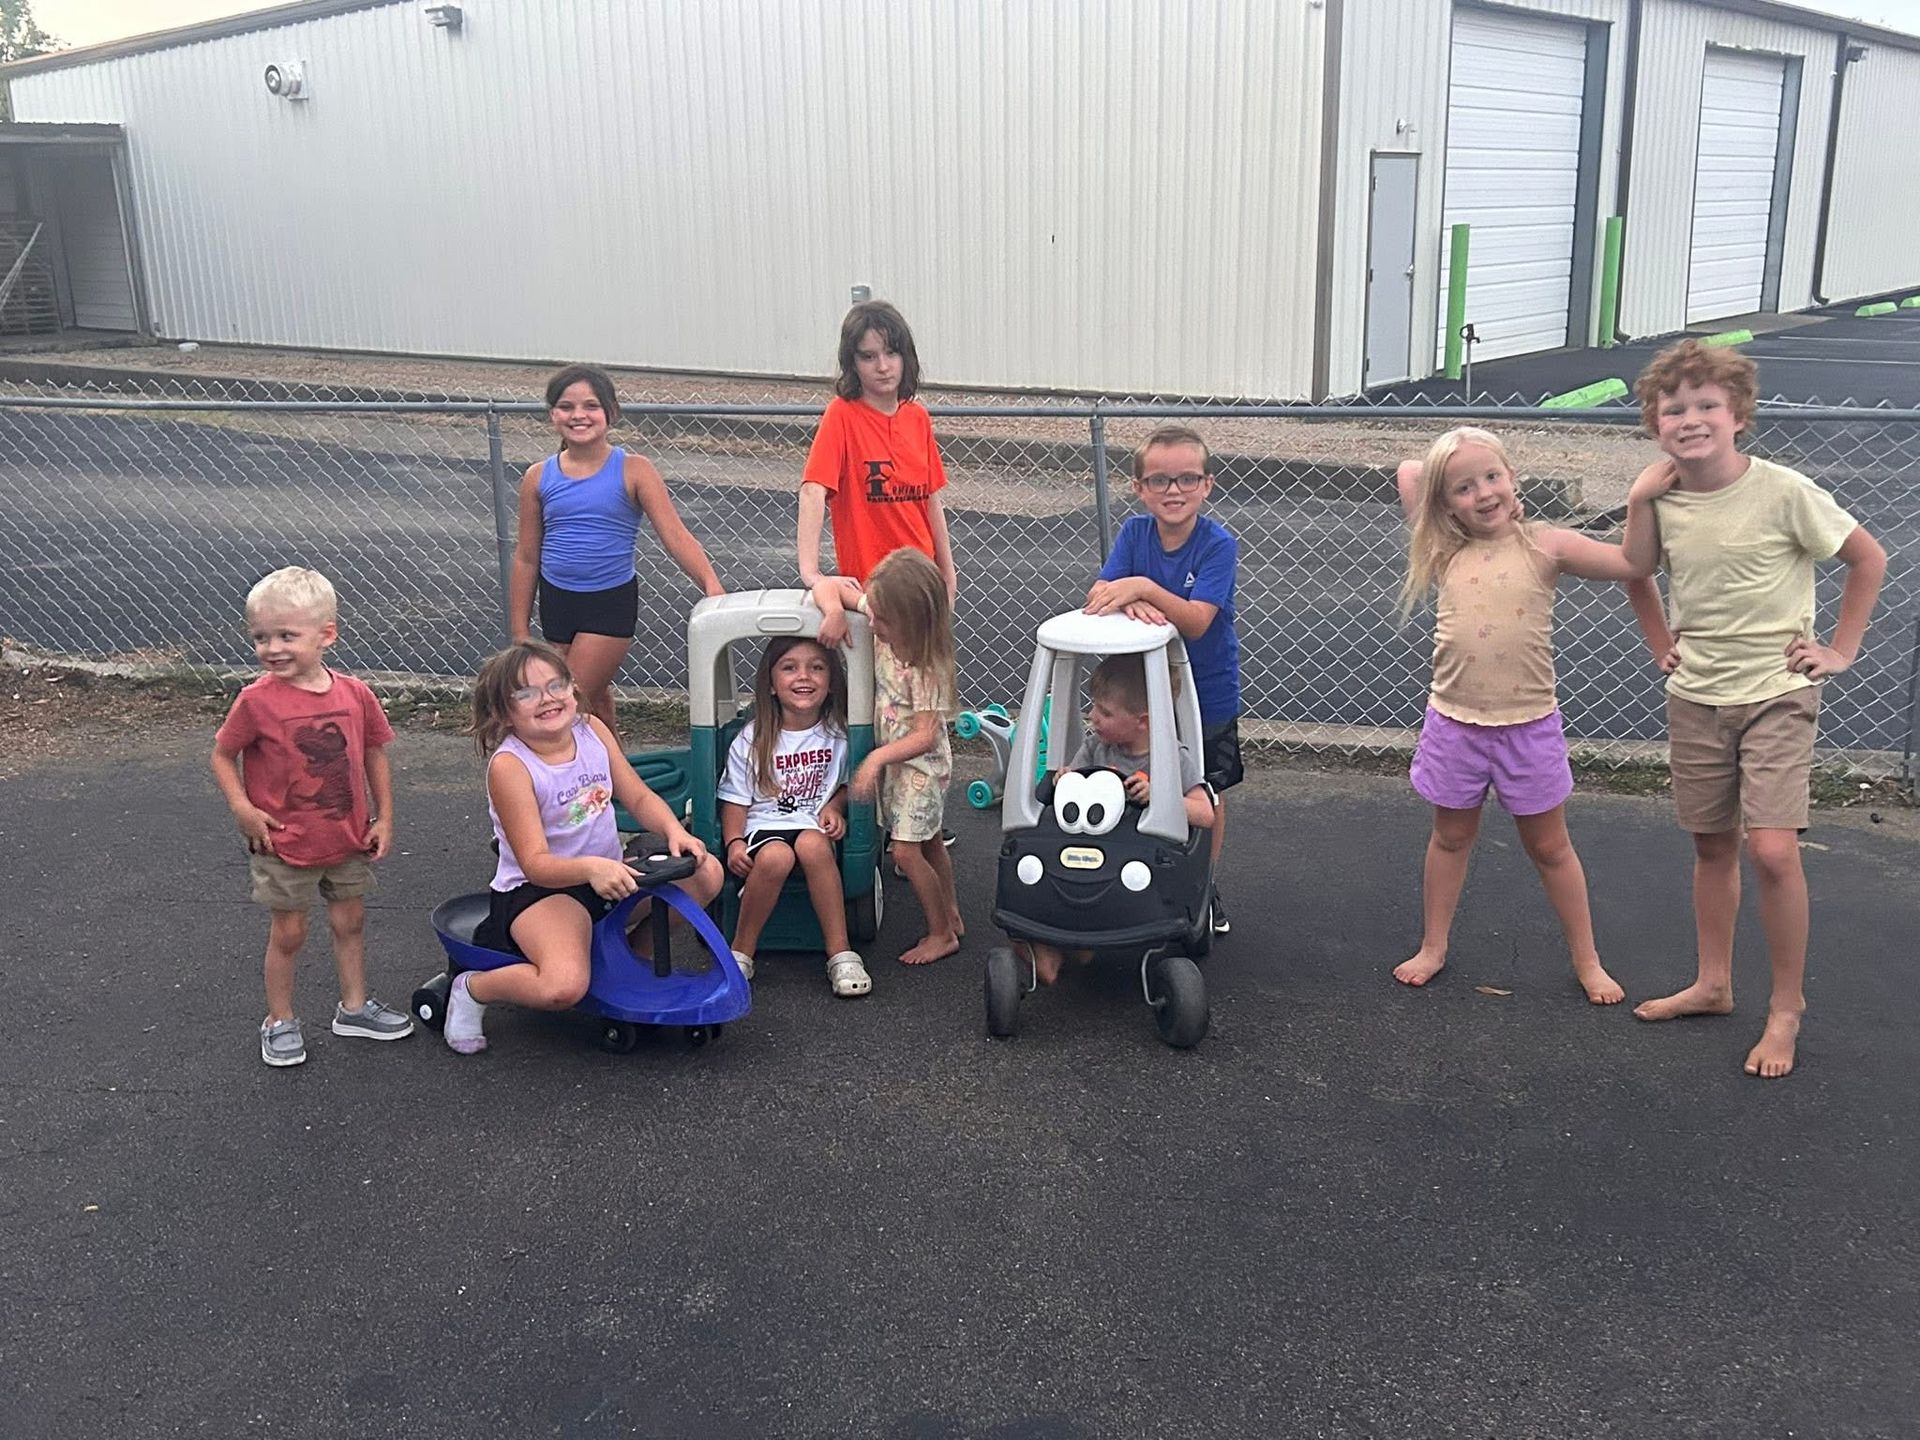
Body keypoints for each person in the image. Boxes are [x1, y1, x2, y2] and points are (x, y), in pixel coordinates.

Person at [1621, 340, 1886, 1078]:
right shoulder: (1661, 500)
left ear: (1738, 414)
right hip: (1696, 695)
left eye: (1707, 404)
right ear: (1655, 424)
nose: (1691, 419)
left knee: (1771, 850)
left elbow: (1867, 558)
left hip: (1777, 691)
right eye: (1674, 408)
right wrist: (1659, 641)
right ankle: (1713, 984)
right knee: (1712, 846)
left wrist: (1840, 649)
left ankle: (1786, 1008)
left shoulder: (1783, 491)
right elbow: (1636, 570)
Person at [1392, 428, 1661, 1003]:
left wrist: (1639, 499)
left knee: (1551, 848)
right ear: (1445, 504)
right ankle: (1433, 946)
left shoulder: (1547, 544)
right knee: (1450, 839)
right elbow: (1410, 472)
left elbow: (1634, 562)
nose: (1483, 493)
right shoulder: (1444, 548)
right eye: (1464, 488)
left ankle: (1587, 959)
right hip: (1455, 726)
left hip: (1528, 727)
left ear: (1513, 478)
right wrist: (1457, 456)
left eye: (1493, 477)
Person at [445, 641, 723, 1055]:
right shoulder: (512, 766)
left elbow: (637, 796)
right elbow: (536, 864)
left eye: (556, 685)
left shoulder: (591, 730)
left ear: (573, 688)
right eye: (526, 693)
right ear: (502, 711)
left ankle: (629, 963)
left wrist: (673, 830)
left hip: (606, 875)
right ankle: (473, 988)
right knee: (563, 987)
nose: (547, 698)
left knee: (706, 873)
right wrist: (593, 869)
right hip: (542, 892)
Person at [211, 566, 413, 1067]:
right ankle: (279, 1019)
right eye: (261, 637)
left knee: (351, 921)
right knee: (290, 933)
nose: (272, 648)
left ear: (326, 635)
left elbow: (374, 753)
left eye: (286, 636)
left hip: (345, 837)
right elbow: (222, 755)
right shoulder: (256, 701)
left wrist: (384, 817)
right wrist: (242, 807)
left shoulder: (355, 694)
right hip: (284, 843)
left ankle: (354, 1008)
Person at [509, 364, 724, 740]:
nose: (578, 415)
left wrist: (711, 584)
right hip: (557, 602)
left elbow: (675, 535)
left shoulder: (635, 470)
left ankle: (565, 771)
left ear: (611, 412)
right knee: (596, 703)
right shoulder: (538, 476)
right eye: (566, 407)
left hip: (608, 604)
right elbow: (527, 557)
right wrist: (520, 631)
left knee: (569, 701)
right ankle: (610, 771)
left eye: (591, 406)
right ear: (552, 415)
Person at [1083, 424, 1240, 936]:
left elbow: (1196, 621)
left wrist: (1142, 588)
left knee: (1203, 790)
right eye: (1159, 480)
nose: (1174, 490)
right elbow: (1101, 592)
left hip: (1207, 692)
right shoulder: (1135, 534)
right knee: (1138, 779)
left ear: (1207, 484)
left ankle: (1203, 884)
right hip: (1142, 694)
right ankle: (1136, 873)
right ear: (1140, 488)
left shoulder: (1217, 545)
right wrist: (1127, 595)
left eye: (1187, 478)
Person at [1021, 653, 1216, 985]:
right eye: (1094, 707)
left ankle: (1080, 942)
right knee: (1038, 876)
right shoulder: (1095, 748)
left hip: (1143, 863)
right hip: (1090, 853)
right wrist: (1065, 780)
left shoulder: (1171, 757)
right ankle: (1057, 942)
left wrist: (1162, 796)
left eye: (1105, 712)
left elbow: (1205, 813)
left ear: (1143, 721)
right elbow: (1073, 787)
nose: (1092, 716)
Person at [812, 548, 961, 967]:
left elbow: (926, 736)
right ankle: (950, 913)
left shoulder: (928, 665)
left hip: (920, 769)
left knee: (906, 851)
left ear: (911, 622)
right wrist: (834, 612)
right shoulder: (882, 617)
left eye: (882, 619)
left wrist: (877, 760)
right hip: (900, 764)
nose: (871, 623)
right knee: (929, 840)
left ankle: (941, 934)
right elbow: (826, 585)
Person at [716, 637, 868, 996]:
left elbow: (848, 784)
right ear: (771, 684)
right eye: (789, 668)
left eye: (817, 667)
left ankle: (841, 953)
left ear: (831, 682)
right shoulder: (752, 739)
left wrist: (835, 807)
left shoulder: (839, 734)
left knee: (813, 846)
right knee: (776, 857)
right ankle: (740, 952)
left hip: (813, 823)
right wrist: (734, 842)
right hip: (765, 825)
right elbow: (735, 800)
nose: (804, 676)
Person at [797, 301, 957, 608]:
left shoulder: (917, 418)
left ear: (905, 356)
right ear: (852, 363)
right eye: (868, 356)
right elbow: (813, 490)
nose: (883, 367)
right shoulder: (842, 416)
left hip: (923, 587)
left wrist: (948, 578)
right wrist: (811, 573)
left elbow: (930, 501)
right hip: (872, 594)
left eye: (891, 353)